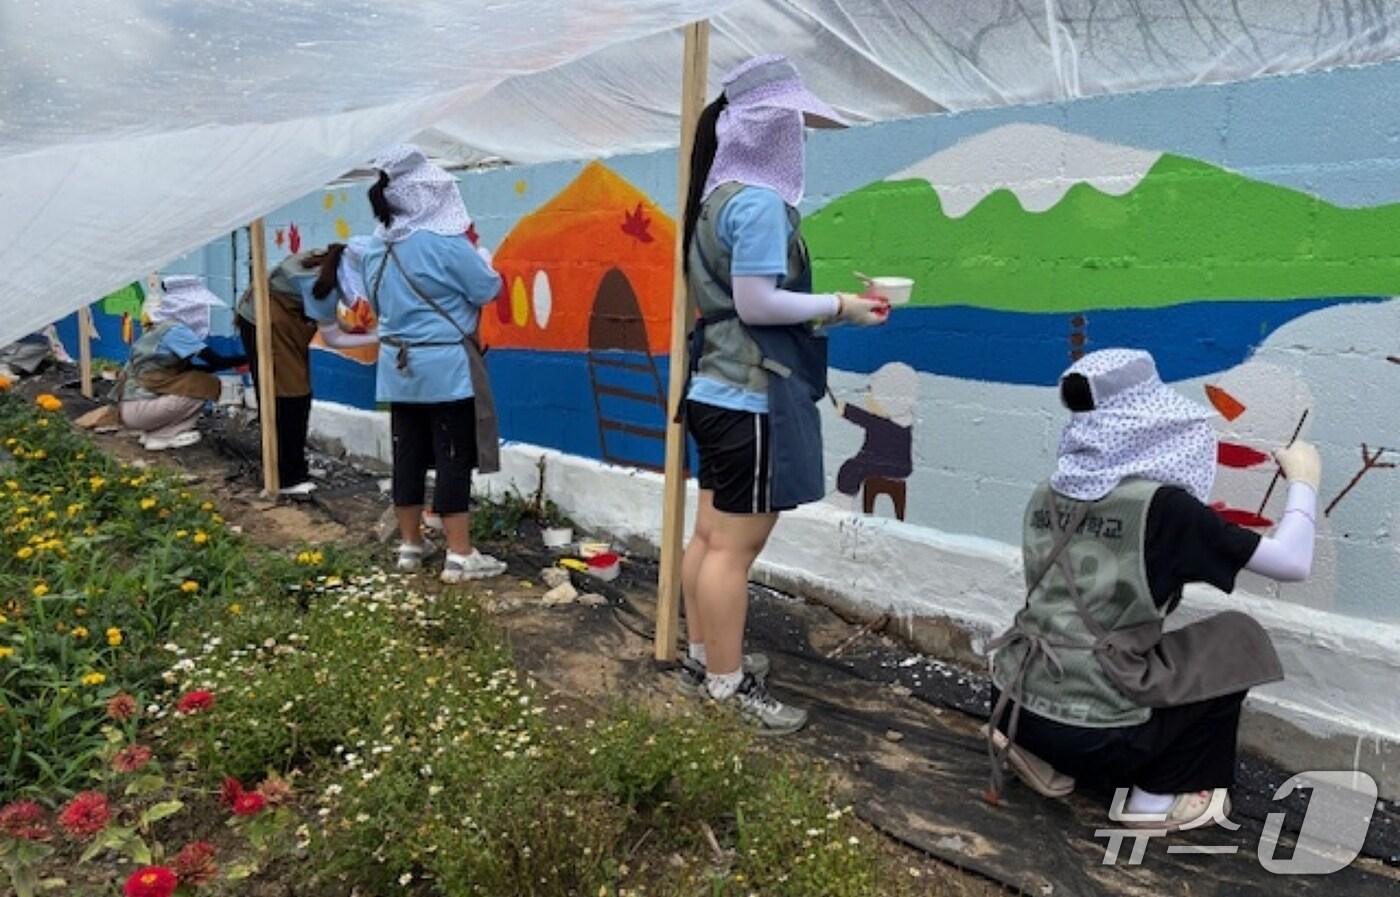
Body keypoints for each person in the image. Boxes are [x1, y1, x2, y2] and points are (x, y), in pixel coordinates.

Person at [986, 348, 1321, 830]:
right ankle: (1153, 799)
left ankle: (1037, 752)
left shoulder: (1048, 490)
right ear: (1151, 423)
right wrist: (1305, 481)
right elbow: (1292, 561)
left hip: (1011, 697)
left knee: (1127, 648)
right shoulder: (1163, 510)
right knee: (1235, 640)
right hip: (1098, 733)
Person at [676, 55, 891, 734]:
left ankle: (705, 656)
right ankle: (726, 685)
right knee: (734, 549)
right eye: (794, 126)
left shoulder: (715, 200)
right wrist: (843, 305)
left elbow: (733, 304)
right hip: (750, 396)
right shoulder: (761, 204)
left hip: (713, 388)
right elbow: (757, 302)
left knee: (709, 536)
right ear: (772, 132)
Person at [361, 144, 507, 584]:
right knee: (452, 456)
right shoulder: (442, 244)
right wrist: (482, 258)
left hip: (397, 369)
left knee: (407, 455)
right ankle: (460, 555)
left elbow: (375, 301)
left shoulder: (374, 248)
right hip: (447, 367)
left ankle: (410, 545)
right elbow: (488, 289)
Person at [236, 241, 378, 495]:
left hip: (275, 317)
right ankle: (287, 477)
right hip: (268, 322)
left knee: (296, 392)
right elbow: (334, 338)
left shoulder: (326, 262)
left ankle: (292, 466)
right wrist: (381, 337)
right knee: (287, 395)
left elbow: (333, 322)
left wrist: (367, 332)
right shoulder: (320, 285)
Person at [116, 276, 245, 451]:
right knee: (202, 385)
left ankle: (153, 433)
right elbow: (216, 361)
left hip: (133, 407)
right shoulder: (177, 331)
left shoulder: (160, 328)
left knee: (195, 378)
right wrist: (252, 356)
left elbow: (202, 366)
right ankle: (164, 436)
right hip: (140, 410)